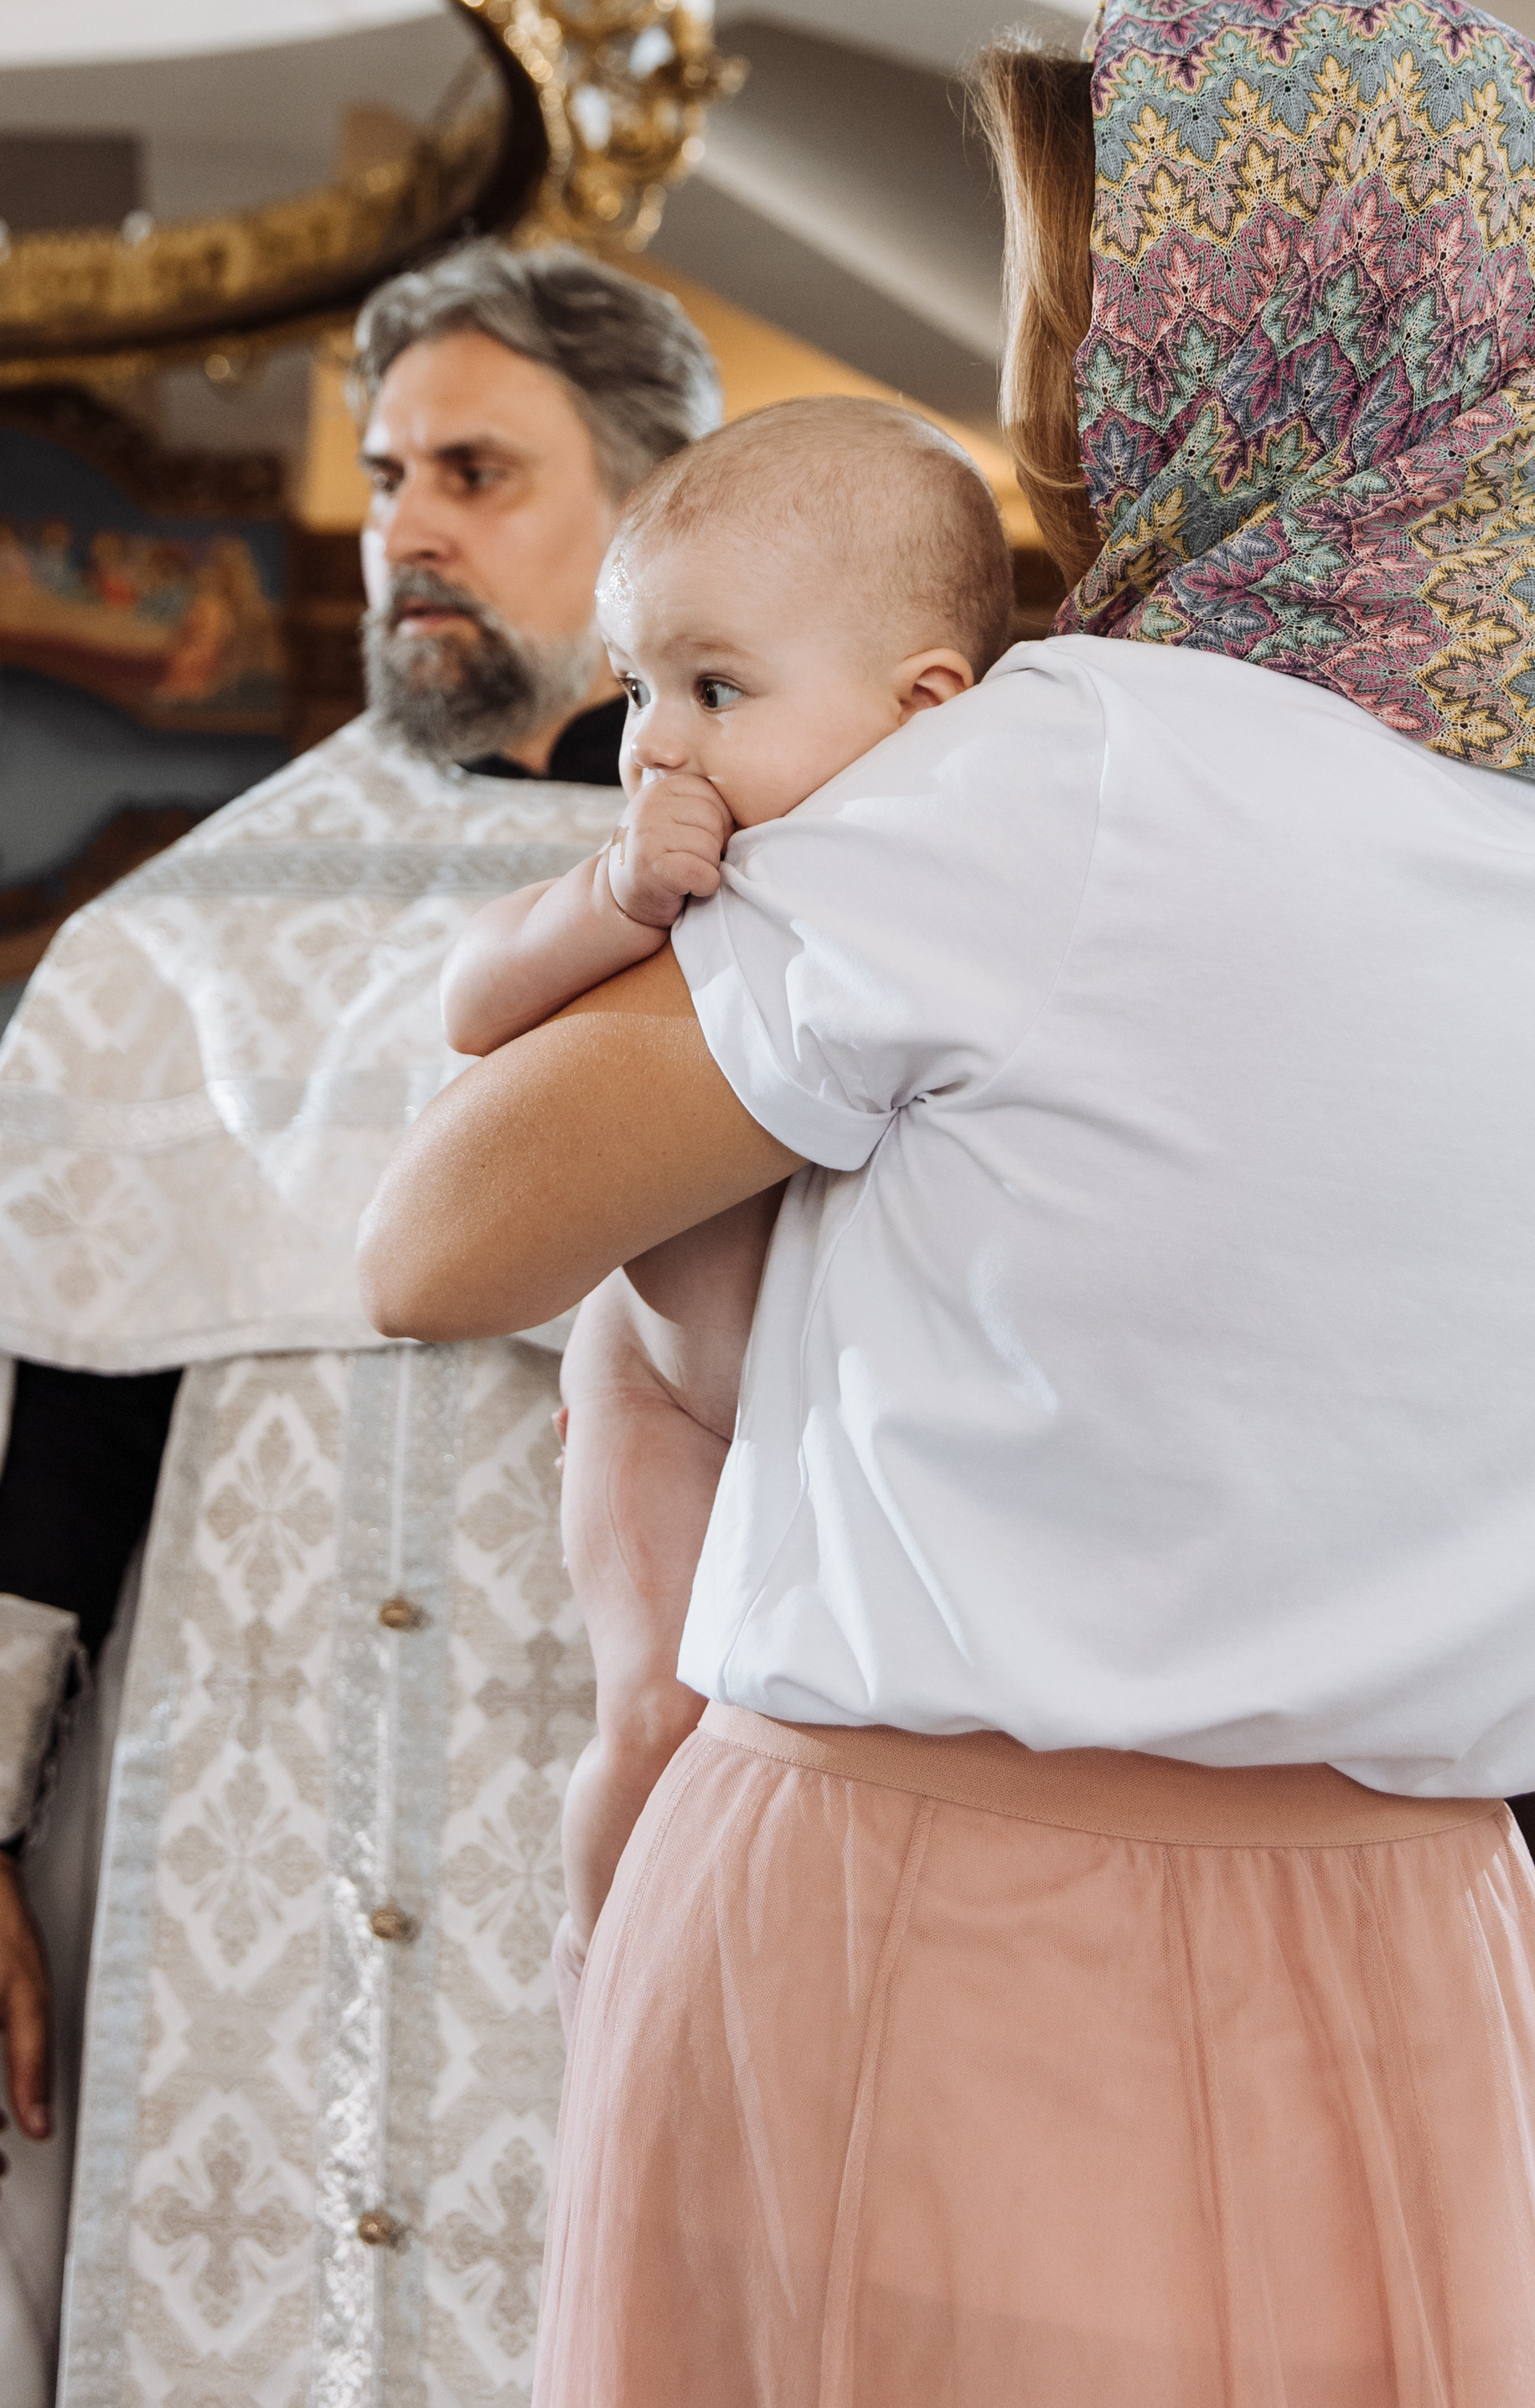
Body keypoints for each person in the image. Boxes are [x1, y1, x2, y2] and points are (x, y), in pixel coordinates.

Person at [359, 0, 1535, 2408]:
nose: (1047, 404)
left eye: (1080, 321)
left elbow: (435, 1245)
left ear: (1283, 353)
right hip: (1437, 1972)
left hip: (923, 1925)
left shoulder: (1069, 770)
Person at [0, 241, 721, 2408]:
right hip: (230, 1898)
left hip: (614, 1846)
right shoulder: (187, 935)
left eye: (478, 470)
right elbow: (71, 1449)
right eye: (389, 475)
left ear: (651, 504)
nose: (409, 526)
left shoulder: (791, 912)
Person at [440, 396, 1013, 2004]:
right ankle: (600, 1953)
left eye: (714, 688)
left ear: (922, 710)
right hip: (656, 1394)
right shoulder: (670, 871)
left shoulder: (959, 891)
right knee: (660, 1704)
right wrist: (608, 900)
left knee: (831, 1740)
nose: (659, 743)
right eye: (637, 689)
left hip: (838, 1413)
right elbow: (476, 1003)